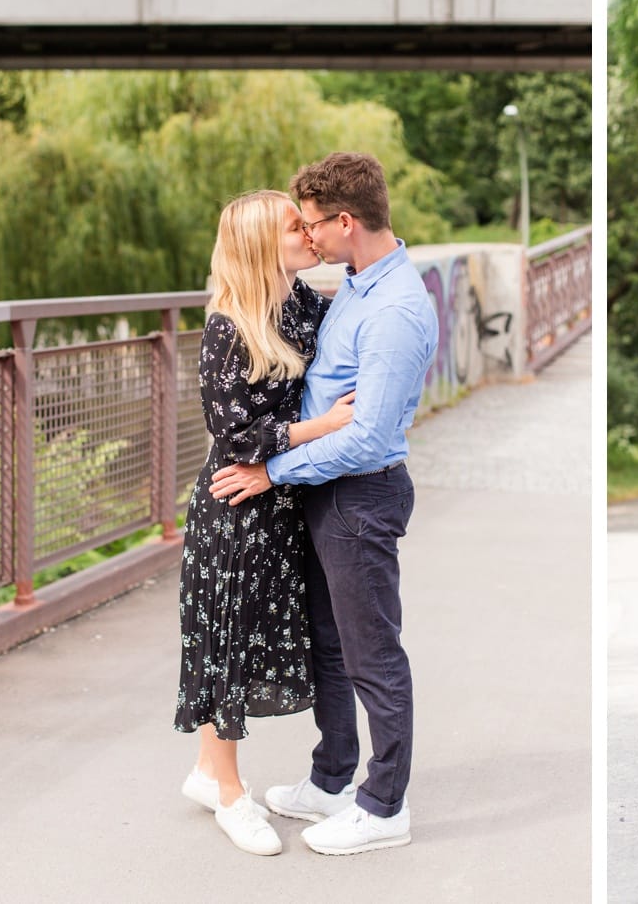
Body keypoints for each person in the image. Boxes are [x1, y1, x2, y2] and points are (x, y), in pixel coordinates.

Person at [210, 151, 439, 858]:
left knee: (374, 656)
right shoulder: (354, 284)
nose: (307, 238)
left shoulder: (396, 306)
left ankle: (383, 806)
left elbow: (368, 435)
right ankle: (332, 780)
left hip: (358, 494)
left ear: (345, 222)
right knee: (333, 650)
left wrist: (273, 469)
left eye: (311, 225)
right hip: (324, 492)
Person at [175, 189, 359, 857]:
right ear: (260, 244)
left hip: (280, 502)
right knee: (226, 642)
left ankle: (206, 772)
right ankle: (225, 789)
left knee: (250, 638)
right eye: (294, 226)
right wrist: (325, 425)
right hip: (235, 508)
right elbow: (234, 432)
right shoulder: (228, 325)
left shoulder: (304, 302)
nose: (309, 233)